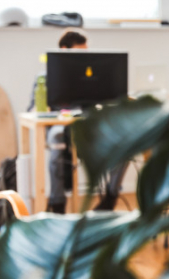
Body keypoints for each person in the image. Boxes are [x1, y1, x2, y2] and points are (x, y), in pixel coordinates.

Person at [28, 28, 124, 213]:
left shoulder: (93, 75)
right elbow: (31, 109)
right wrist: (43, 107)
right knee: (56, 137)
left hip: (91, 126)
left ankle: (110, 198)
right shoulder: (45, 77)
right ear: (64, 49)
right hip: (60, 128)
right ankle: (57, 204)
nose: (84, 58)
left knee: (124, 140)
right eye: (80, 52)